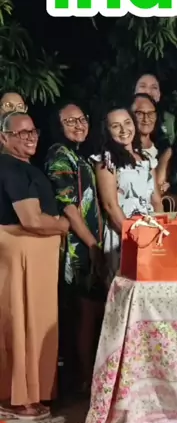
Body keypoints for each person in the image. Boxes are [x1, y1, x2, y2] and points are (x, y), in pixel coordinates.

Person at [0, 111, 69, 419]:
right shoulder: (12, 168)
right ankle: (16, 398)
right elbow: (31, 219)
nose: (29, 137)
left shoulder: (21, 167)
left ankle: (30, 392)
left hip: (34, 258)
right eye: (21, 133)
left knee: (32, 325)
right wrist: (63, 225)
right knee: (21, 326)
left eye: (32, 131)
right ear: (4, 138)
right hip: (23, 256)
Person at [44, 103, 104, 397]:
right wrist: (92, 243)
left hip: (89, 241)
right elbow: (68, 206)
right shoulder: (59, 155)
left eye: (82, 119)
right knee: (84, 313)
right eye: (70, 121)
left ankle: (89, 377)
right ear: (58, 126)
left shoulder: (78, 155)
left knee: (91, 311)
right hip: (77, 247)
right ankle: (84, 380)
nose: (79, 125)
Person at [93, 107, 158, 281]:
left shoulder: (146, 159)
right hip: (122, 234)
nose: (124, 130)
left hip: (150, 232)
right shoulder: (106, 160)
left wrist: (159, 234)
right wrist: (133, 237)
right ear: (107, 130)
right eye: (116, 126)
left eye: (127, 123)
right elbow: (110, 205)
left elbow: (156, 200)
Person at [134, 72, 175, 146]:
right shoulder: (123, 116)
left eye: (154, 87)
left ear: (159, 94)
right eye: (143, 86)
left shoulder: (169, 120)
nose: (148, 91)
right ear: (134, 91)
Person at [131, 93, 159, 167]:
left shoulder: (163, 148)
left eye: (150, 113)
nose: (146, 119)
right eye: (139, 113)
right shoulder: (125, 149)